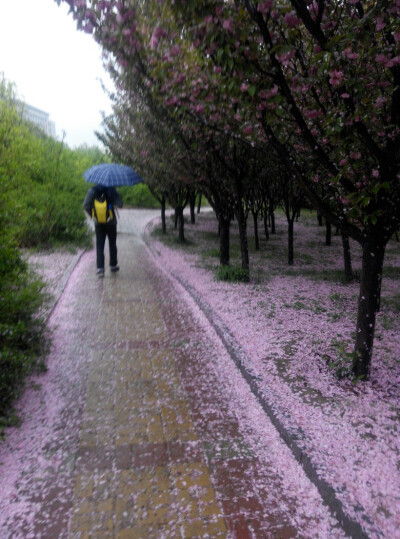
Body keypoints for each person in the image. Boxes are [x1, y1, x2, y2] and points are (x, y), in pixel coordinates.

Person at [83, 185, 123, 277]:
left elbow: (85, 205)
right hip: (111, 222)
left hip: (98, 223)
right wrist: (115, 198)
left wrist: (94, 216)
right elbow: (120, 204)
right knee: (112, 243)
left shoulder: (92, 190)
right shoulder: (112, 189)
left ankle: (100, 268)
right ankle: (113, 265)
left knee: (100, 245)